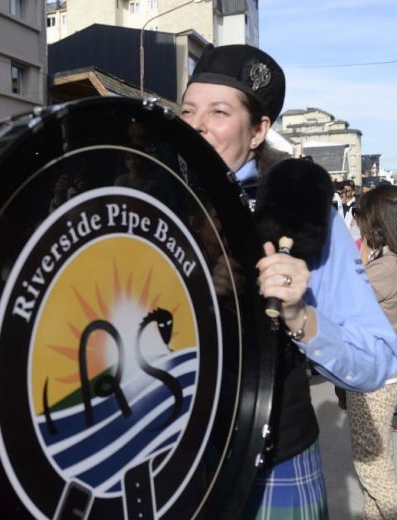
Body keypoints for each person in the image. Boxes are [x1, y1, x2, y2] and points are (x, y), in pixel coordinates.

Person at [180, 44, 397, 517]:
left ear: (258, 130)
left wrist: (300, 316)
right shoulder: (152, 200)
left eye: (219, 112)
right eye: (188, 110)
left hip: (274, 468)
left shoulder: (298, 209)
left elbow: (377, 359)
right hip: (168, 464)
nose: (197, 125)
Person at [345, 185, 397, 518]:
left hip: (374, 379)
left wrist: (362, 252)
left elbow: (346, 303)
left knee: (372, 466)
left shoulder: (385, 267)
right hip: (386, 374)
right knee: (380, 459)